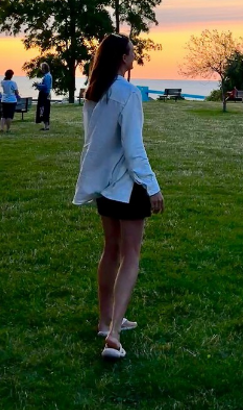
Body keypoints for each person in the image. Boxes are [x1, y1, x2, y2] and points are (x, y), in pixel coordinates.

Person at [72, 34, 165, 360]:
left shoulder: (94, 92)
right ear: (122, 57)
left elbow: (95, 142)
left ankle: (106, 320)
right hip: (126, 186)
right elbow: (133, 146)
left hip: (105, 187)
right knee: (131, 255)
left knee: (111, 250)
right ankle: (112, 335)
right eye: (132, 51)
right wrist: (152, 186)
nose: (135, 54)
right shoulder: (127, 93)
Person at [33, 63, 53, 131]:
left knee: (44, 109)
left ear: (44, 69)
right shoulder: (48, 75)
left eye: (42, 68)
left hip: (44, 94)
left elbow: (46, 86)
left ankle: (46, 125)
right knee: (45, 109)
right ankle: (45, 125)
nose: (41, 70)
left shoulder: (47, 76)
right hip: (46, 94)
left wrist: (37, 85)